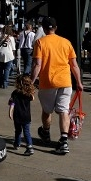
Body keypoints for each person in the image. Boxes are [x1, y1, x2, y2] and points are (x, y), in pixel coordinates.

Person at [30, 16, 84, 155]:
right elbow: (74, 65)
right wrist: (79, 82)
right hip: (65, 81)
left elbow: (37, 65)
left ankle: (46, 132)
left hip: (48, 82)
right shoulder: (66, 42)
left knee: (47, 110)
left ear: (43, 28)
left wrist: (31, 82)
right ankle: (63, 141)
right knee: (64, 110)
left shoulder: (40, 42)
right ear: (56, 28)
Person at [8, 74, 36, 156]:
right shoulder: (28, 94)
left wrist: (10, 112)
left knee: (18, 131)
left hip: (17, 115)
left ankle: (17, 143)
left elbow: (12, 104)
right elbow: (33, 98)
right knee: (27, 131)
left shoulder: (15, 93)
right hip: (27, 116)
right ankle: (29, 146)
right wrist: (30, 90)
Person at [0, 24, 17, 89]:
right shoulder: (11, 38)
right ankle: (5, 84)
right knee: (7, 70)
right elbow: (13, 48)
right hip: (9, 54)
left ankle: (0, 83)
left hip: (1, 54)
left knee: (0, 69)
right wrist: (14, 56)